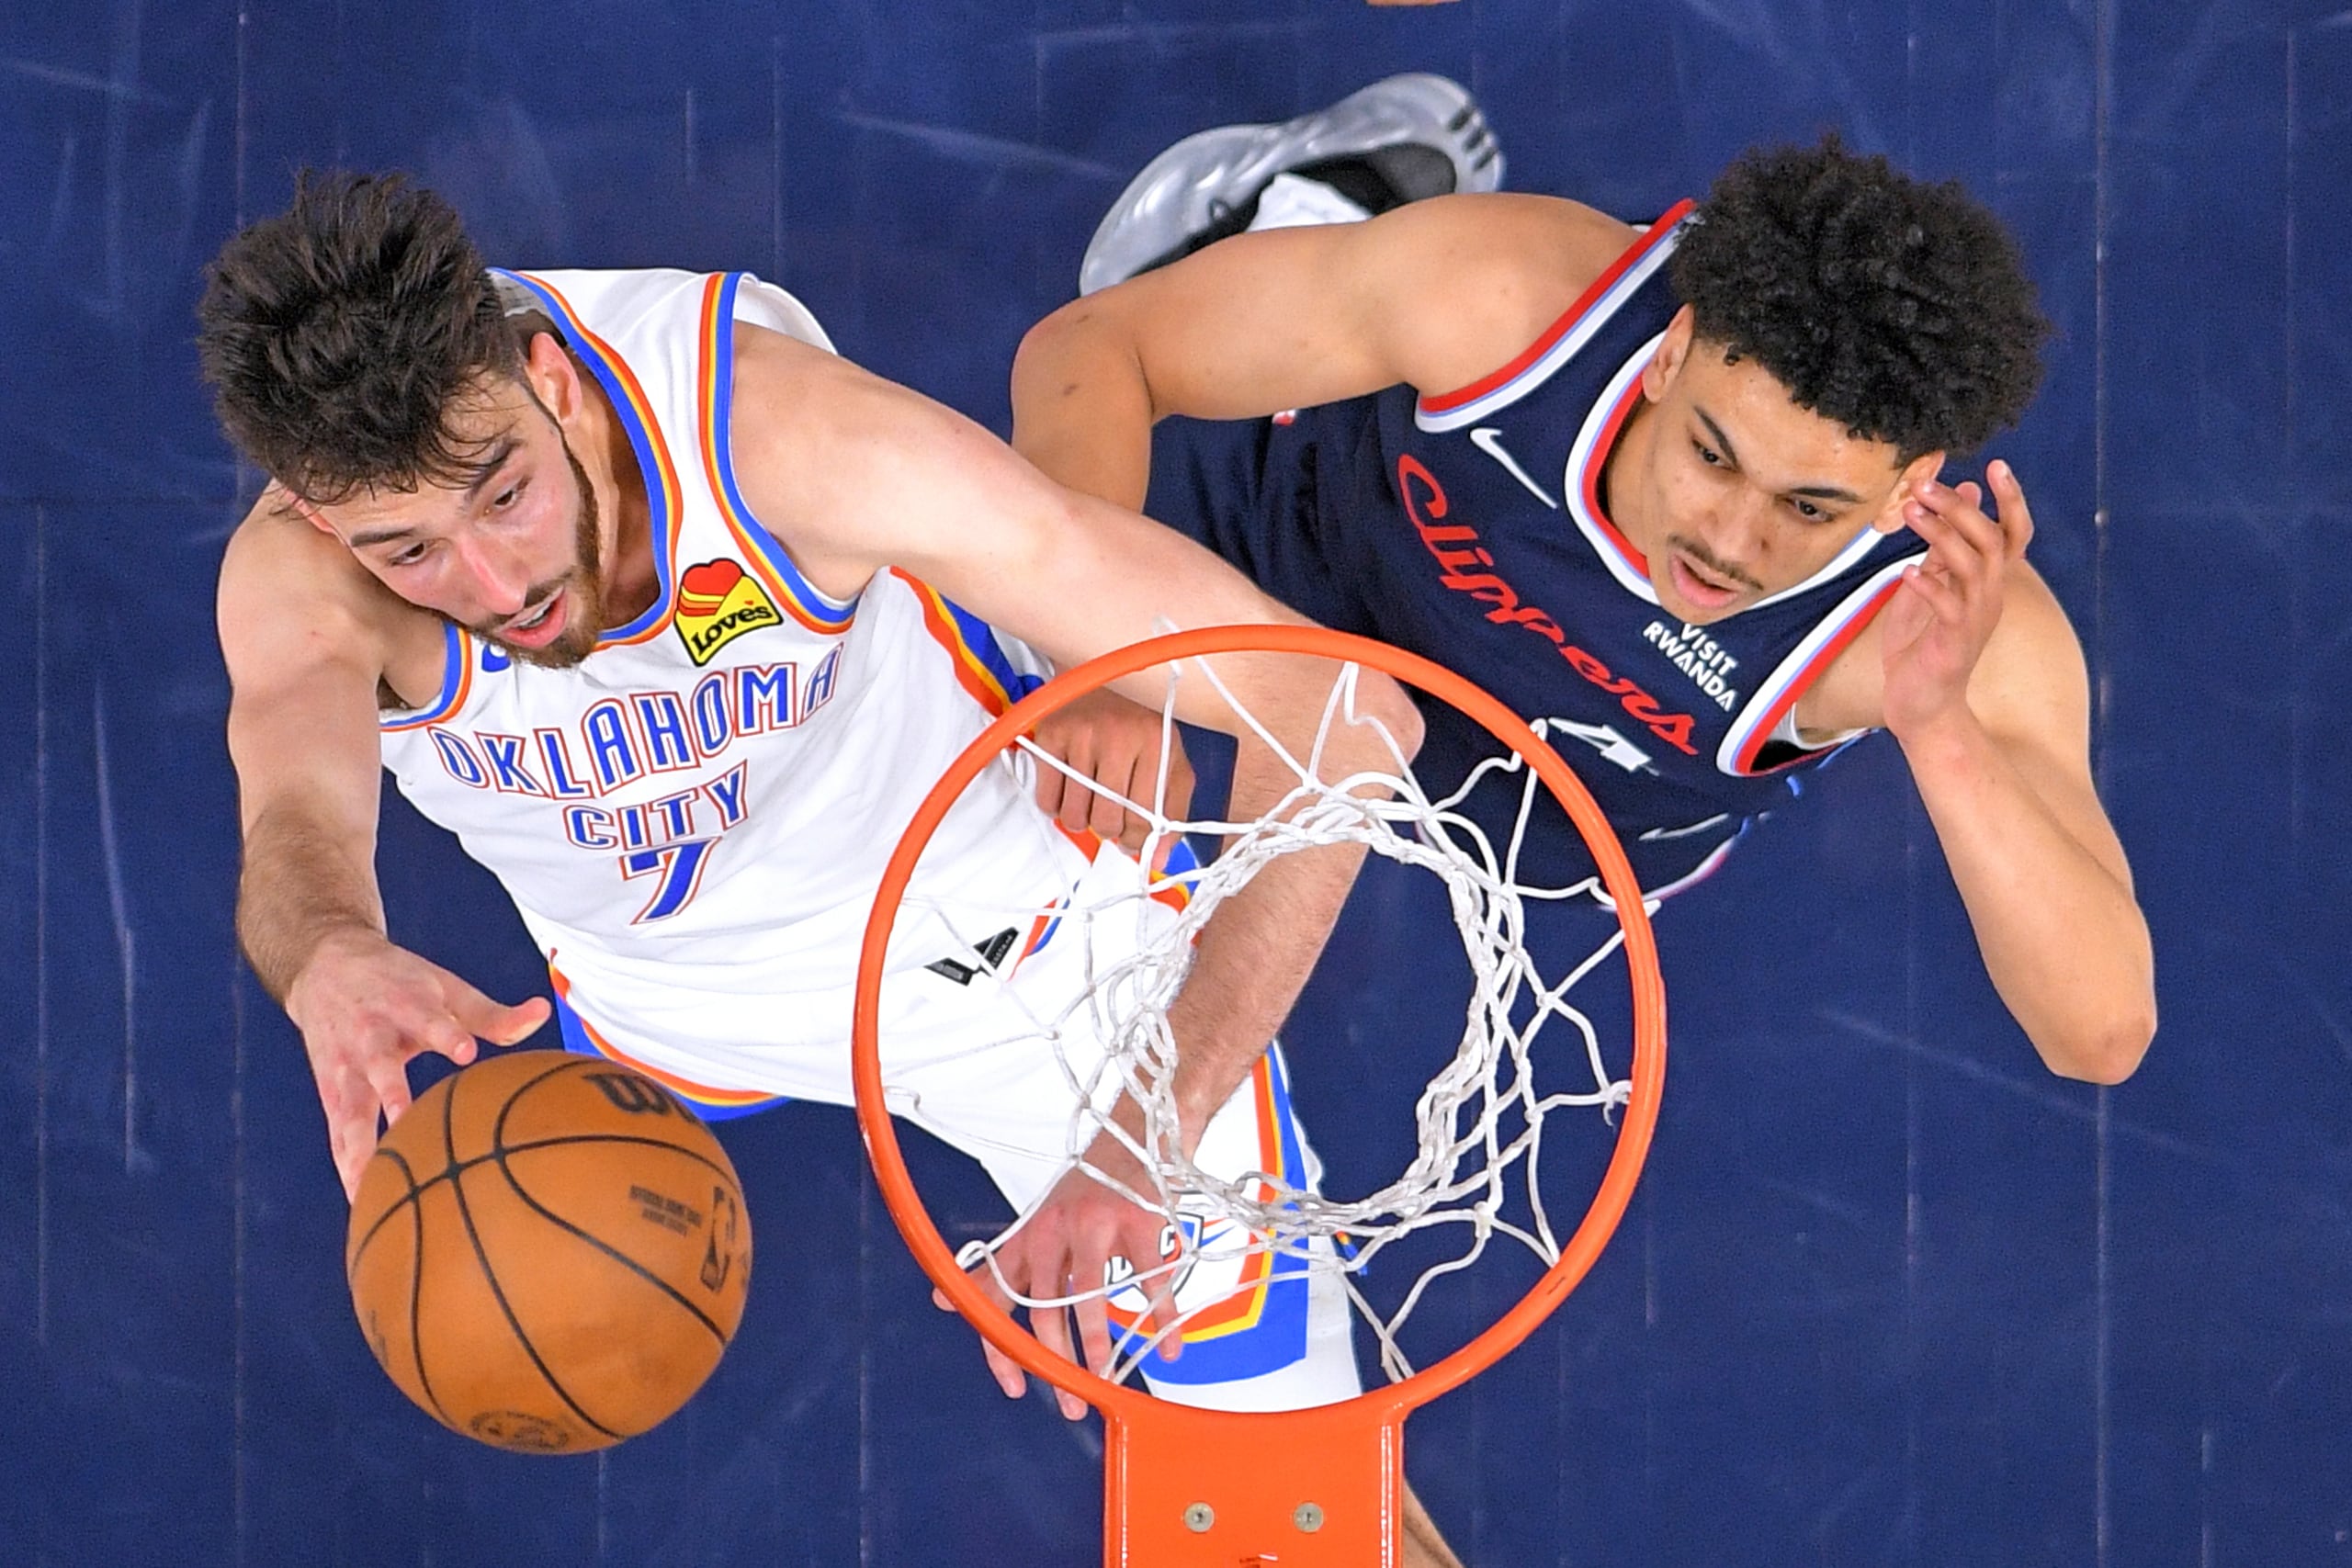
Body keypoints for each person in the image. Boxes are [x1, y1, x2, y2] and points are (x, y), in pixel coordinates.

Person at [199, 171, 1478, 1567]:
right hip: (663, 1006)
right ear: (324, 527)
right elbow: (298, 816)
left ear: (555, 384)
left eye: (500, 496)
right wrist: (330, 954)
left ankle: (1304, 202)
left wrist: (1137, 1136)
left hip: (1011, 939)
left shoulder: (783, 435)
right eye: (410, 550)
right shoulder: (300, 578)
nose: (494, 583)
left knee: (1284, 1511)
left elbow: (1347, 715)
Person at [1013, 79, 2156, 1085]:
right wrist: (1105, 660)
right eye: (1712, 454)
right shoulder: (1512, 300)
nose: (1731, 543)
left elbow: (2099, 1034)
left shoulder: (1937, 623)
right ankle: (1312, 210)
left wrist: (1933, 726)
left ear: (1912, 482)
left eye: (1810, 509)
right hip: (1286, 555)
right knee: (1136, 330)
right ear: (1671, 351)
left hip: (1529, 830)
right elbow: (1089, 347)